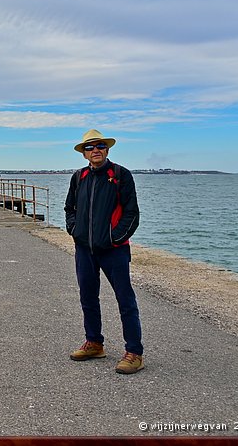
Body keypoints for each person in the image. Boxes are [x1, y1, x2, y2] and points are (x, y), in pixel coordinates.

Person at [64, 129, 143, 375]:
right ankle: (94, 343)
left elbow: (132, 213)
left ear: (107, 150)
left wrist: (113, 238)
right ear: (84, 153)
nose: (95, 150)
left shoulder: (120, 175)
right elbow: (70, 208)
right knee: (88, 297)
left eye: (99, 145)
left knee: (125, 300)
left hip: (114, 251)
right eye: (90, 147)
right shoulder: (79, 177)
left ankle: (134, 352)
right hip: (84, 249)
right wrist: (75, 231)